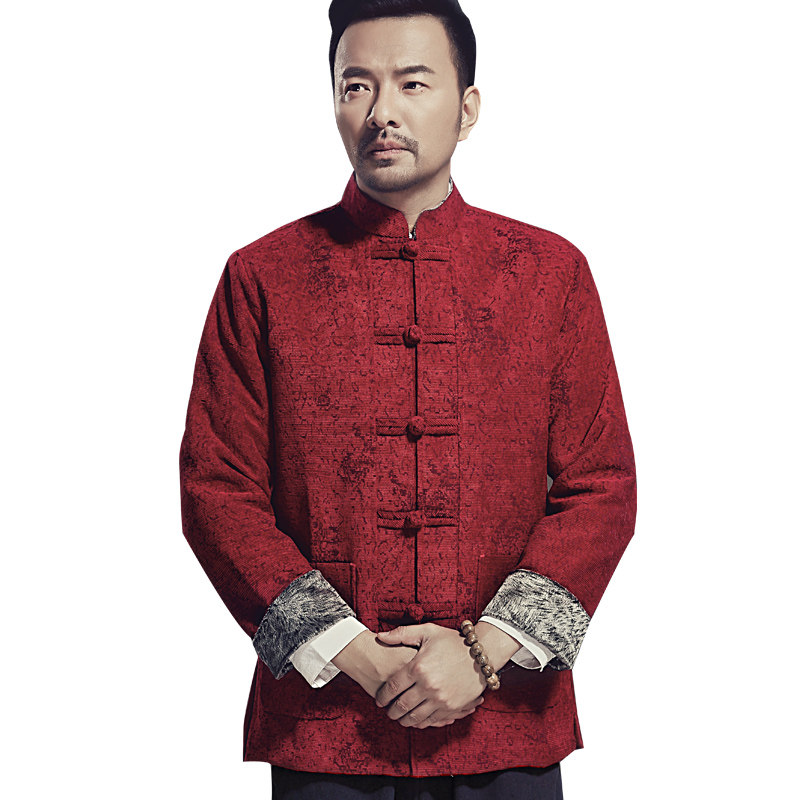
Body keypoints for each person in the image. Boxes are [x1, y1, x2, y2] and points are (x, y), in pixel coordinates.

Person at [178, 1, 637, 797]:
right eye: (355, 86)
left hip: (508, 723)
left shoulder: (549, 273)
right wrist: (351, 650)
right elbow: (217, 492)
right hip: (326, 730)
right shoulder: (261, 277)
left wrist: (485, 652)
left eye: (412, 83)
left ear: (468, 109)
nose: (380, 111)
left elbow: (603, 487)